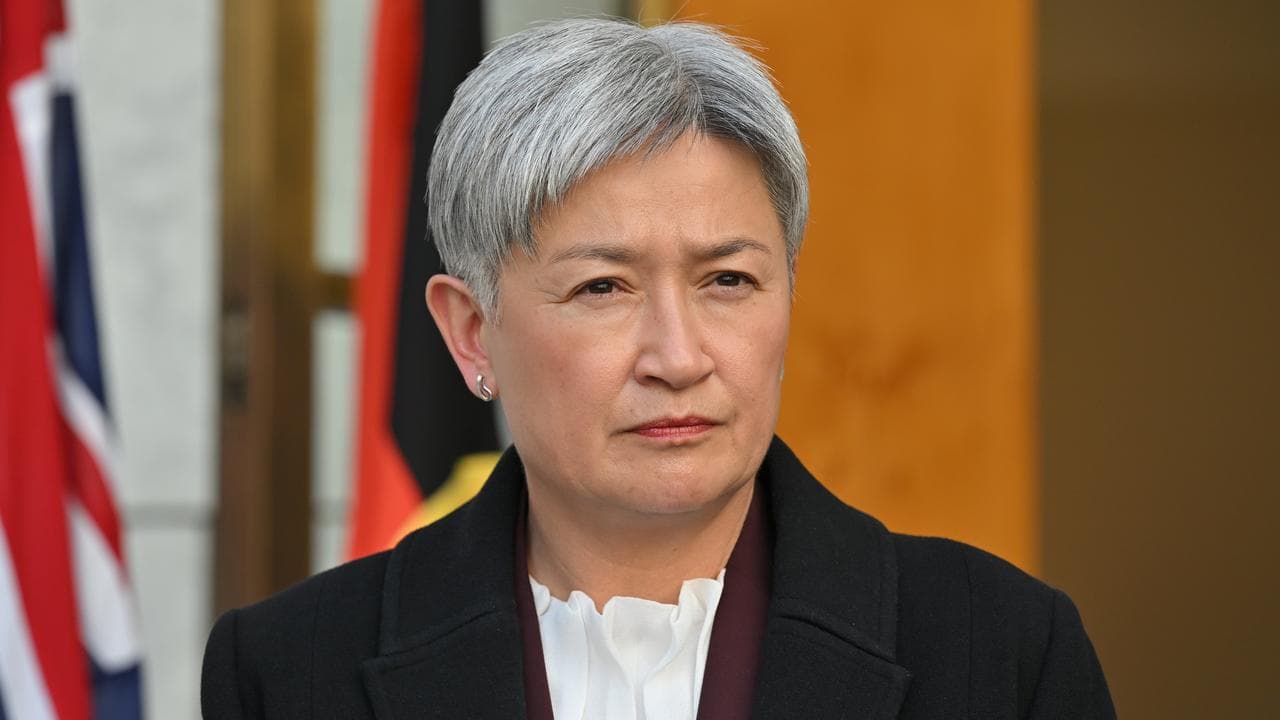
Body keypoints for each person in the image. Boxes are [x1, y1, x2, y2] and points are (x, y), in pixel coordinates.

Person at [201, 18, 1114, 719]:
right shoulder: (288, 670)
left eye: (729, 279)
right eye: (603, 287)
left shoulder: (999, 651)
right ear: (472, 331)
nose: (679, 358)